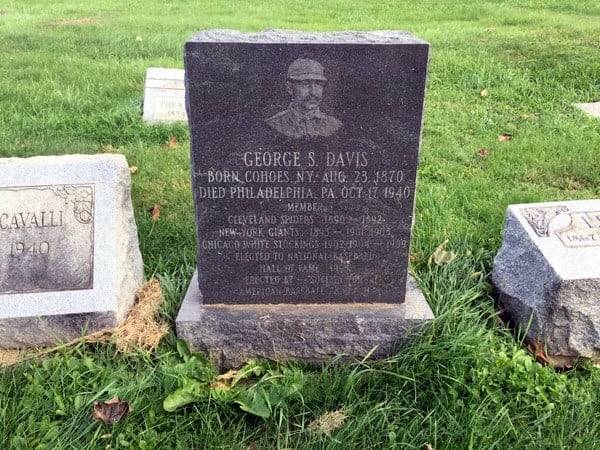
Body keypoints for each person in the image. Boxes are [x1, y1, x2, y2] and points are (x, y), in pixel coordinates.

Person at [266, 58, 342, 139]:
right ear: (289, 88)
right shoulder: (273, 124)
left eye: (319, 84)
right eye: (305, 84)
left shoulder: (335, 125)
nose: (313, 92)